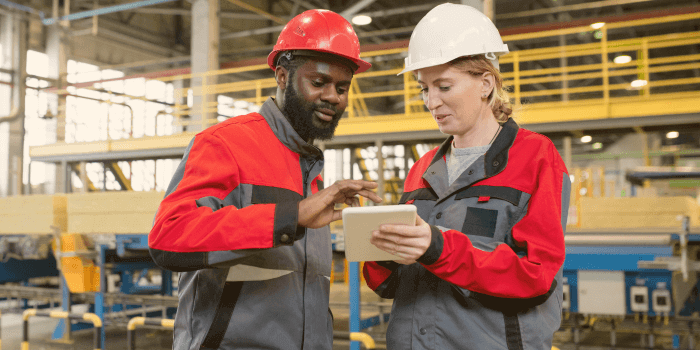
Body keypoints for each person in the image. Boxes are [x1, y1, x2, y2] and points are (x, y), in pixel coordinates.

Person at [148, 9, 382, 350]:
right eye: (319, 82)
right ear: (282, 76)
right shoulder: (225, 144)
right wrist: (291, 216)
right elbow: (168, 235)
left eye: (342, 87)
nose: (334, 96)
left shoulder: (309, 168)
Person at [363, 4, 570, 350]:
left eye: (444, 86)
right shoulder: (424, 167)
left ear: (486, 84)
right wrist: (382, 248)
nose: (431, 102)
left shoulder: (536, 157)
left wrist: (438, 247)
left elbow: (536, 275)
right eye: (423, 89)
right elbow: (391, 286)